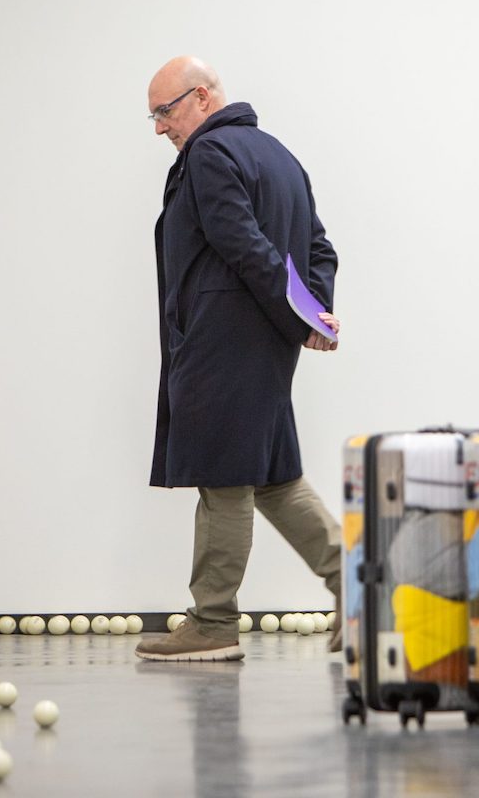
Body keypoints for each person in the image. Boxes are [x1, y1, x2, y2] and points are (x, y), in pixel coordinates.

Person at [136, 56, 344, 662]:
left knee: (224, 479)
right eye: (153, 116)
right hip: (264, 348)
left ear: (201, 98)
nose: (160, 127)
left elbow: (244, 245)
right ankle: (363, 588)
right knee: (276, 479)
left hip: (222, 344)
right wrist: (312, 313)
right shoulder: (279, 156)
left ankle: (213, 622)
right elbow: (319, 249)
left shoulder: (208, 154)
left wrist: (301, 317)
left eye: (165, 111)